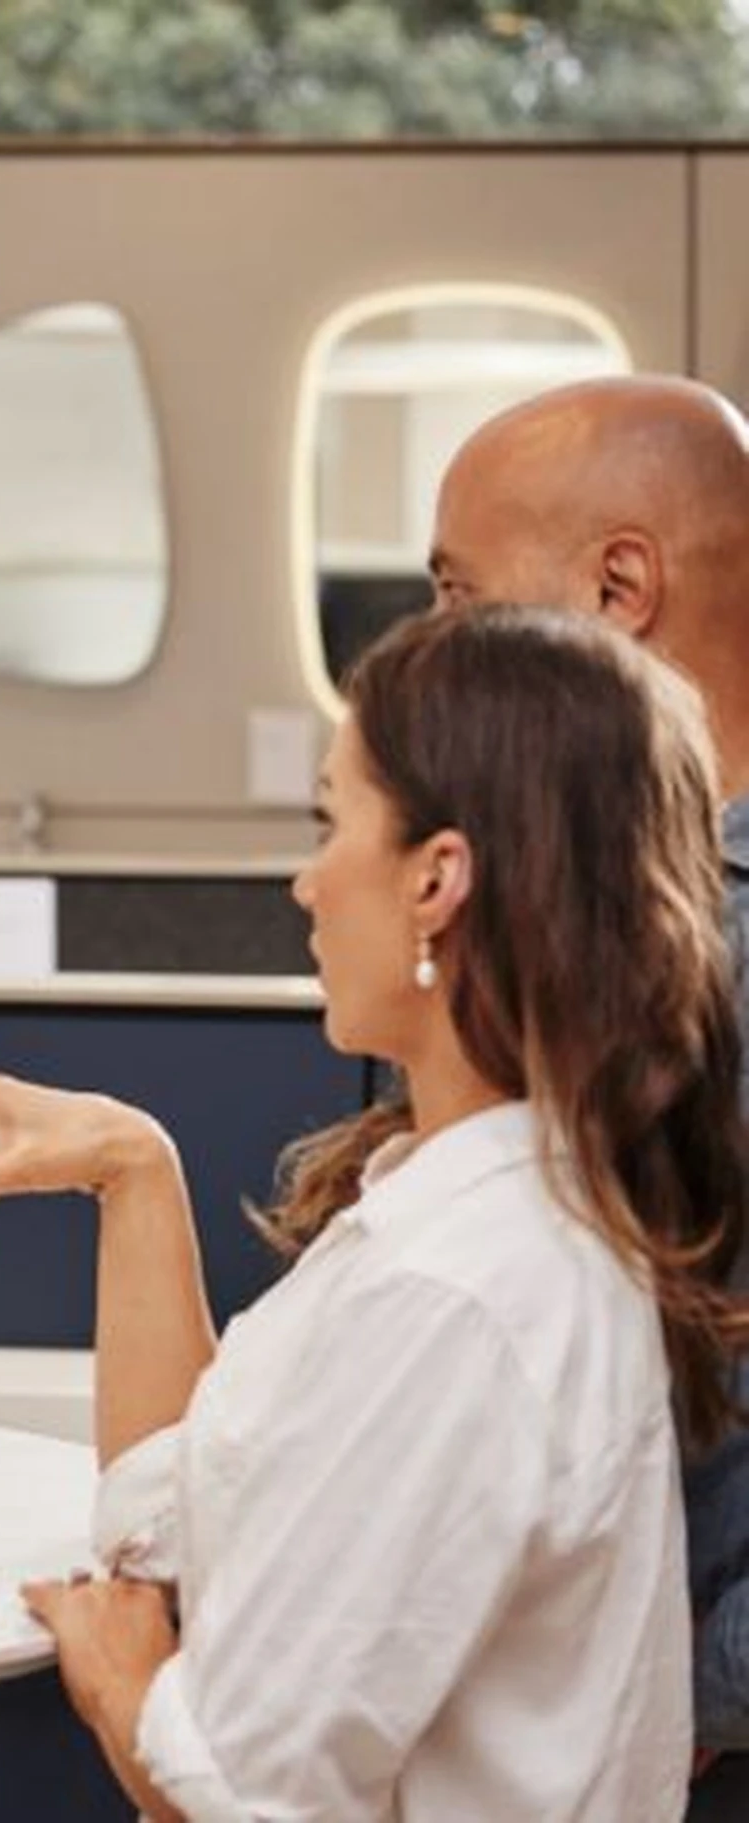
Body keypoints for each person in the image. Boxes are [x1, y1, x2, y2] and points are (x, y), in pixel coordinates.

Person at [0, 603, 743, 1820]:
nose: (305, 879)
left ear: (436, 877)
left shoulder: (457, 1293)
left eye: (332, 823)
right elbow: (177, 1506)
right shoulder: (478, 1212)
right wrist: (131, 1169)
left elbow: (247, 1795)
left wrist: (124, 1675)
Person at [427, 375, 749, 1792]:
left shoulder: (719, 951)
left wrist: (675, 1696)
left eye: (458, 597)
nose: (432, 653)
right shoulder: (613, 919)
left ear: (619, 586)